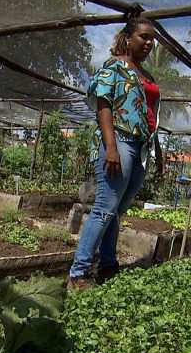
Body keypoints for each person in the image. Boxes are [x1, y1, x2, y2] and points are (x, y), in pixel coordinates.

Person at [68, 16, 163, 290]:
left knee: (116, 210)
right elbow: (103, 105)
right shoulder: (115, 67)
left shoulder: (147, 76)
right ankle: (78, 273)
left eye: (151, 39)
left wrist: (157, 150)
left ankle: (108, 266)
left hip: (141, 145)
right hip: (119, 139)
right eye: (143, 37)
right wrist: (110, 147)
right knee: (104, 208)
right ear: (128, 37)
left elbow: (150, 115)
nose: (148, 43)